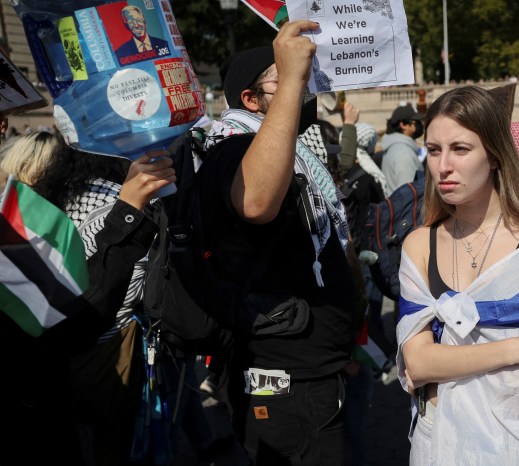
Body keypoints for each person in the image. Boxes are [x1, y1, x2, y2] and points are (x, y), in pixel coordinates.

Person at [397, 86, 519, 465]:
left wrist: (449, 356)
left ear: (496, 154)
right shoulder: (419, 245)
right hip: (442, 443)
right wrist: (513, 349)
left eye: (460, 149)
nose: (443, 167)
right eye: (434, 150)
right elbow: (418, 363)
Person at [202, 21, 361, 464]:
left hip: (314, 366)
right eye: (284, 77)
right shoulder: (232, 148)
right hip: (284, 375)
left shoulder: (285, 148)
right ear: (250, 101)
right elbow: (254, 202)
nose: (301, 85)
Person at [0, 151, 170, 465]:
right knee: (110, 435)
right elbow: (85, 310)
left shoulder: (50, 197)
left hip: (63, 364)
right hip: (95, 347)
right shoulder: (104, 201)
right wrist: (129, 212)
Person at [381, 103, 425, 194]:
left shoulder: (396, 147)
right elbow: (408, 195)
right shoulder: (403, 153)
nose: (419, 125)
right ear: (403, 125)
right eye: (415, 122)